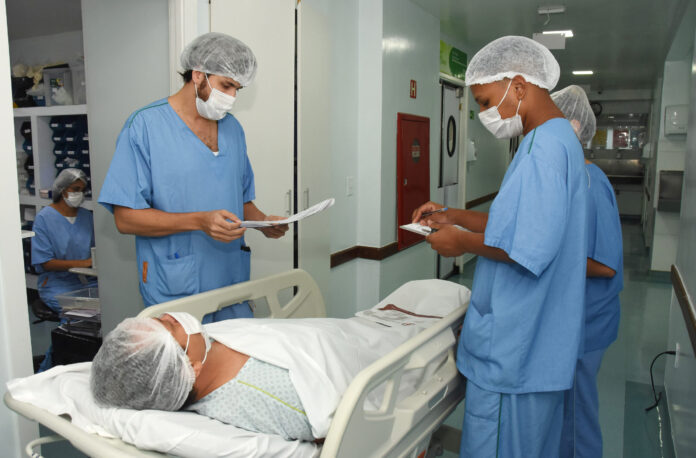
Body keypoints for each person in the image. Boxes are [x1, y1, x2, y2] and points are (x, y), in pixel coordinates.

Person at [412, 36, 588, 457]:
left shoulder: (544, 150)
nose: (483, 114)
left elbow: (527, 247)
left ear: (520, 86)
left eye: (486, 101)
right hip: (536, 345)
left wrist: (460, 243)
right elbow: (517, 226)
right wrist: (453, 215)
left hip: (516, 350)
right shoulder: (549, 140)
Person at [98, 33, 288, 321]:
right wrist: (200, 221)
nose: (232, 97)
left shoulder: (232, 129)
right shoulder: (145, 127)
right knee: (187, 351)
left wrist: (263, 222)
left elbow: (239, 198)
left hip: (231, 280)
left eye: (237, 89)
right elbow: (126, 219)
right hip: (176, 283)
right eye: (226, 85)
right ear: (198, 75)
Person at [552, 85, 623, 458]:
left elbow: (606, 265)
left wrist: (548, 260)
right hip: (573, 318)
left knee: (578, 418)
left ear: (573, 127)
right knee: (566, 413)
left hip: (589, 322)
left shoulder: (592, 185)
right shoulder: (570, 179)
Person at [31, 168, 97, 370]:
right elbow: (45, 262)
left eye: (82, 190)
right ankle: (49, 368)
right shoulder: (45, 218)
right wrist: (82, 263)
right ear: (62, 189)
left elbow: (95, 252)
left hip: (87, 281)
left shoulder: (86, 217)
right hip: (56, 283)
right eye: (75, 189)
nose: (79, 194)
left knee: (107, 309)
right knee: (77, 319)